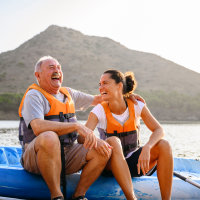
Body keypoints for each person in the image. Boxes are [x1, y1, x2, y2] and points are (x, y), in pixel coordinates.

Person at [18, 56, 143, 200]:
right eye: (51, 67)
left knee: (103, 149)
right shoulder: (34, 95)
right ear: (38, 75)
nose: (57, 70)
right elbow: (38, 127)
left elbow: (99, 99)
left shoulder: (68, 94)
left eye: (59, 67)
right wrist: (76, 126)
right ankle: (56, 195)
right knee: (49, 137)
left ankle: (79, 195)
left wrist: (124, 96)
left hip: (67, 153)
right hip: (36, 157)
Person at [85, 69, 173, 200]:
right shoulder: (99, 110)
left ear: (119, 86)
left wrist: (148, 147)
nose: (100, 87)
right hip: (109, 167)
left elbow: (159, 130)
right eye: (100, 84)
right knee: (113, 141)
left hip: (134, 164)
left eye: (105, 83)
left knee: (164, 145)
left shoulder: (136, 105)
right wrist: (94, 141)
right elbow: (82, 136)